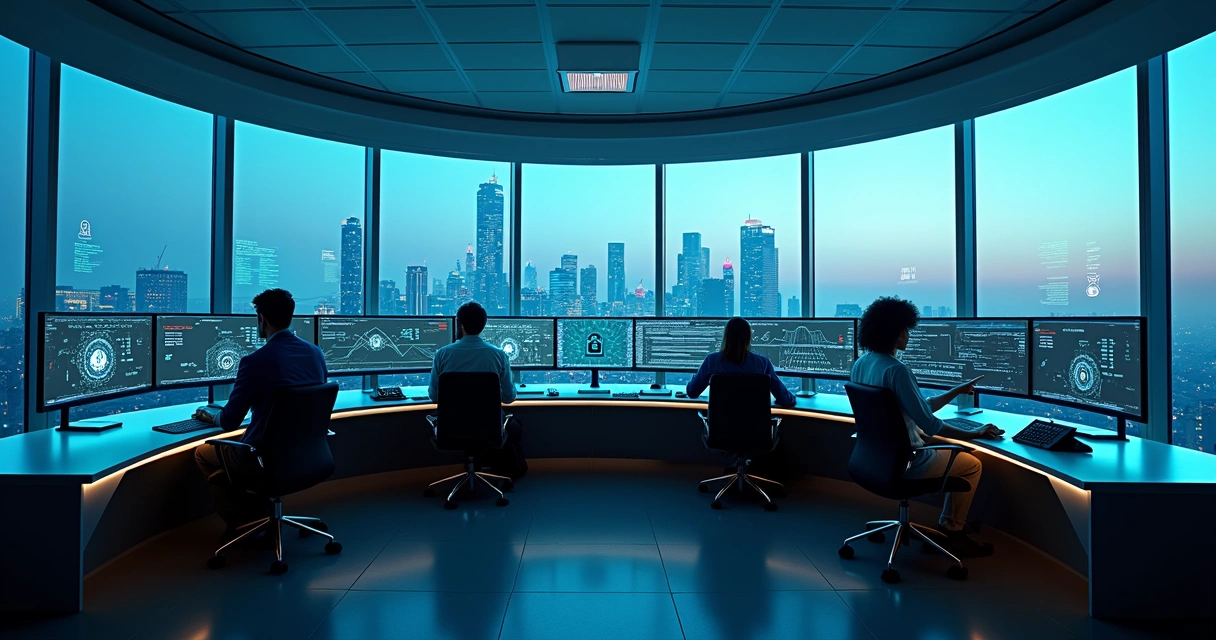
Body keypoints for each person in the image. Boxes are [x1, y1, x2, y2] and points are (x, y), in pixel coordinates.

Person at [851, 296, 1004, 557]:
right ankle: (952, 530)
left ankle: (951, 527)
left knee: (957, 456)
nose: (908, 336)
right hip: (909, 463)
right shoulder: (897, 370)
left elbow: (917, 408)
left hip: (874, 459)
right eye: (906, 331)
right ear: (898, 333)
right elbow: (930, 425)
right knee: (972, 465)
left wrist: (954, 391)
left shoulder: (861, 364)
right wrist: (973, 433)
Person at [193, 288, 327, 537]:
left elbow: (230, 421)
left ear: (262, 318)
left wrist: (208, 414)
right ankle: (262, 519)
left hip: (263, 458)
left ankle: (243, 524)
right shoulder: (316, 354)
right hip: (308, 456)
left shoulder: (255, 361)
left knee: (203, 452)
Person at [428, 301, 525, 478]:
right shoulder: (499, 355)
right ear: (483, 325)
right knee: (515, 426)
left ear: (461, 325)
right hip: (489, 429)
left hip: (451, 430)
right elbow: (509, 398)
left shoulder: (442, 354)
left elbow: (434, 398)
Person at [686, 317, 797, 408]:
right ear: (748, 338)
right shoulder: (762, 363)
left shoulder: (712, 361)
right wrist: (792, 396)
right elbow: (785, 400)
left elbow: (692, 392)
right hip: (754, 430)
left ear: (726, 336)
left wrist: (694, 379)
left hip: (721, 431)